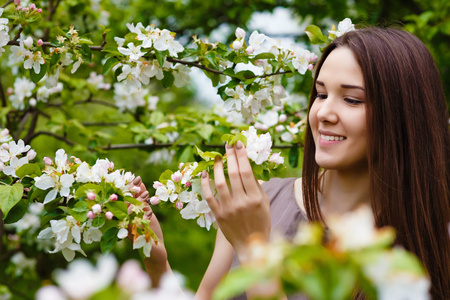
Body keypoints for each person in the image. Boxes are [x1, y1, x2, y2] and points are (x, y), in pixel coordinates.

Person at [131, 27, 450, 299]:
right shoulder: (259, 202)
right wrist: (157, 262)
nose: (323, 113)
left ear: (403, 116)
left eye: (351, 99)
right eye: (321, 94)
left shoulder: (423, 245)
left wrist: (252, 248)